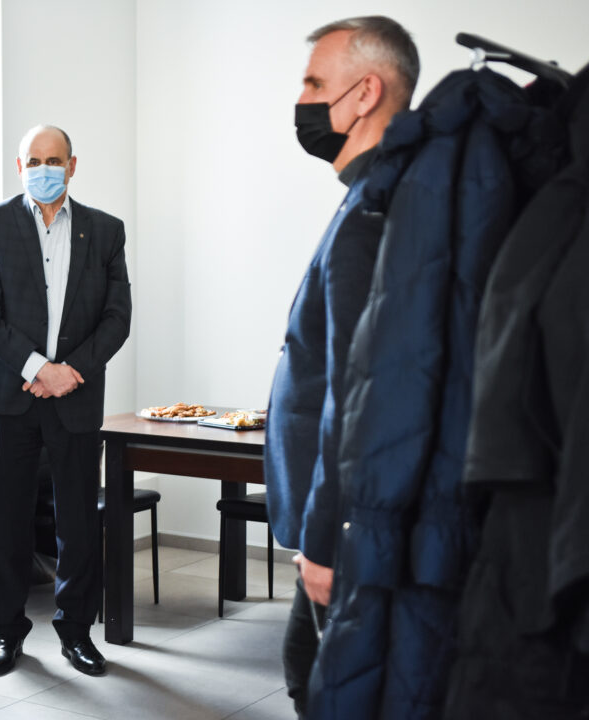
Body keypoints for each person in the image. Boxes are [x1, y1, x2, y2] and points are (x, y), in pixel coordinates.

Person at [263, 17, 418, 718]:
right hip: (341, 516)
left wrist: (325, 539)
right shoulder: (375, 192)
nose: (302, 101)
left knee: (318, 678)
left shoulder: (371, 210)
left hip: (344, 521)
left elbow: (358, 392)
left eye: (314, 83)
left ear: (366, 94)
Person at [0, 125, 132, 678]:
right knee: (7, 521)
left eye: (53, 160)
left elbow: (117, 318)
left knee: (78, 520)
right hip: (12, 393)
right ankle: (7, 631)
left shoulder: (105, 230)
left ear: (72, 166)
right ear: (19, 167)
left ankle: (76, 632)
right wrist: (39, 369)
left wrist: (69, 373)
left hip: (75, 396)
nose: (43, 169)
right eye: (33, 161)